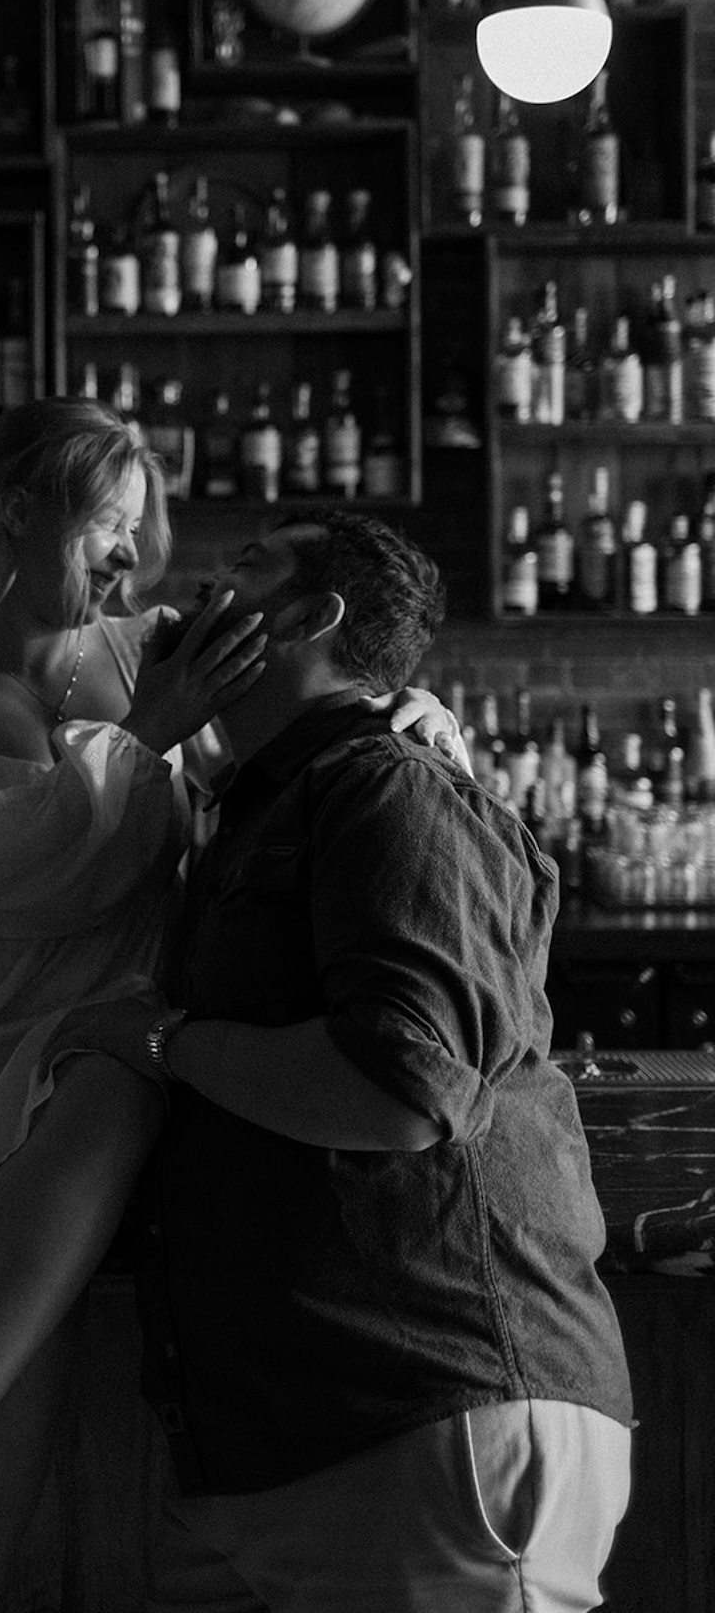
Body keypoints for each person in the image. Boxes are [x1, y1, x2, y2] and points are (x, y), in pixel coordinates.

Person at [0, 404, 463, 1613]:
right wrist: (143, 732)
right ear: (18, 511)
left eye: (137, 528)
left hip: (128, 1009)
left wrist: (421, 717)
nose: (128, 554)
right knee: (27, 1281)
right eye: (108, 522)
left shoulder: (158, 640)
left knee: (96, 1118)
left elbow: (339, 686)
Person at [87, 509, 633, 1613]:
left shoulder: (383, 786)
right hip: (276, 1444)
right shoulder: (263, 800)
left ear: (312, 617)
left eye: (243, 566)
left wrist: (159, 1041)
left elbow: (401, 1091)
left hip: (426, 1414)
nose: (195, 586)